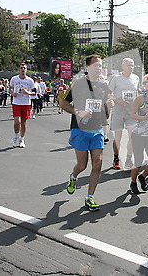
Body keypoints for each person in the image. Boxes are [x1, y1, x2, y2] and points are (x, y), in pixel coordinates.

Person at [61, 55, 112, 211]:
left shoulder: (104, 86)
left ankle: (90, 197)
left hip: (96, 129)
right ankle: (73, 177)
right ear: (88, 67)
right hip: (79, 128)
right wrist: (79, 112)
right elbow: (63, 103)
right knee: (82, 165)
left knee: (97, 163)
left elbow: (106, 113)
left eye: (101, 66)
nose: (99, 68)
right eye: (96, 65)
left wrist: (108, 106)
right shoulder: (78, 84)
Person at [108, 58, 140, 170]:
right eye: (128, 65)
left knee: (132, 136)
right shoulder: (116, 78)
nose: (130, 67)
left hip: (130, 112)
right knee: (118, 137)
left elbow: (136, 93)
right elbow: (108, 93)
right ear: (123, 66)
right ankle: (116, 158)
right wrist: (118, 101)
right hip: (118, 111)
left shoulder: (136, 78)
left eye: (132, 65)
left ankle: (128, 159)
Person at [9, 63, 36, 148]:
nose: (23, 69)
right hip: (16, 102)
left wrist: (28, 93)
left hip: (26, 103)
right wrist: (13, 93)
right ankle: (16, 136)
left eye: (24, 68)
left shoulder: (30, 80)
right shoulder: (14, 79)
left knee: (24, 122)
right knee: (17, 121)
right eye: (21, 68)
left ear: (26, 69)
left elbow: (34, 92)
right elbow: (10, 88)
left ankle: (22, 139)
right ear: (19, 69)